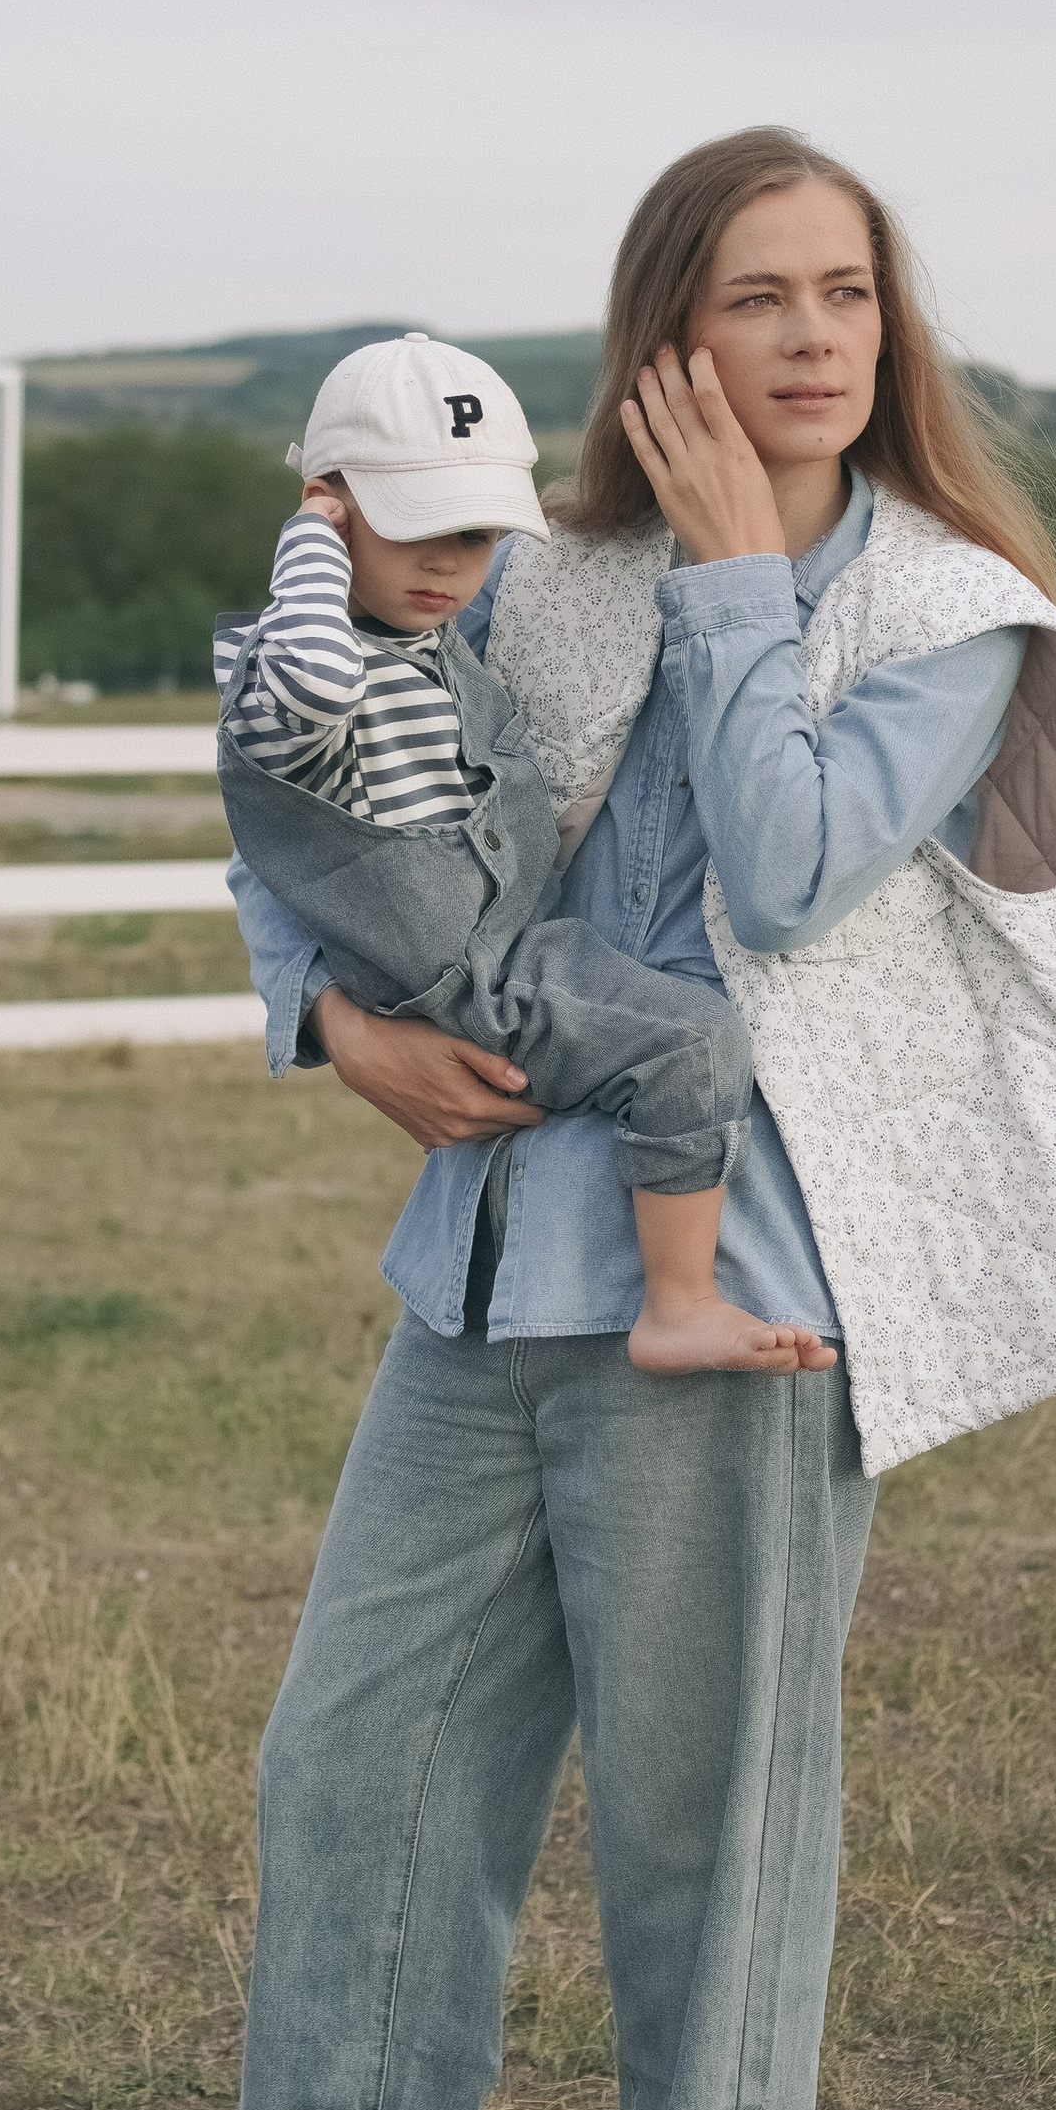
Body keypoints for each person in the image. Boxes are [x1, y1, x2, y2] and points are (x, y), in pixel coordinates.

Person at [73, 130, 1056, 2110]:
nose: (803, 340)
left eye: (842, 295)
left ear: (891, 331)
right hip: (482, 1272)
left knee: (698, 1842)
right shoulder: (542, 579)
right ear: (662, 333)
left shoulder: (951, 618)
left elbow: (776, 870)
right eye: (750, 296)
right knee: (353, 1771)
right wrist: (321, 1029)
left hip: (736, 1298)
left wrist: (751, 589)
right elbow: (296, 760)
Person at [213, 327, 830, 1377]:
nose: (451, 565)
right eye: (419, 529)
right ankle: (678, 1300)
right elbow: (313, 683)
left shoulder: (418, 637)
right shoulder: (288, 671)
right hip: (474, 971)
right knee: (691, 1045)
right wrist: (309, 540)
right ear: (328, 499)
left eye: (478, 535)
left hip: (488, 936)